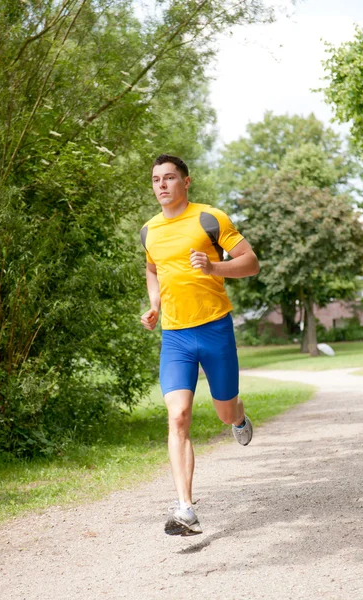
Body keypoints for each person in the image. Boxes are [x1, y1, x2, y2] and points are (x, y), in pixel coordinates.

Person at [140, 154, 260, 536]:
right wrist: (155, 305)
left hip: (215, 329)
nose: (162, 185)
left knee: (224, 413)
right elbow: (152, 268)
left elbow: (251, 262)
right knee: (177, 417)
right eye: (157, 179)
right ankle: (185, 508)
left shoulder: (211, 218)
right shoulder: (149, 230)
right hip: (175, 337)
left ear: (185, 182)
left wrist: (214, 268)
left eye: (170, 178)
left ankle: (238, 416)